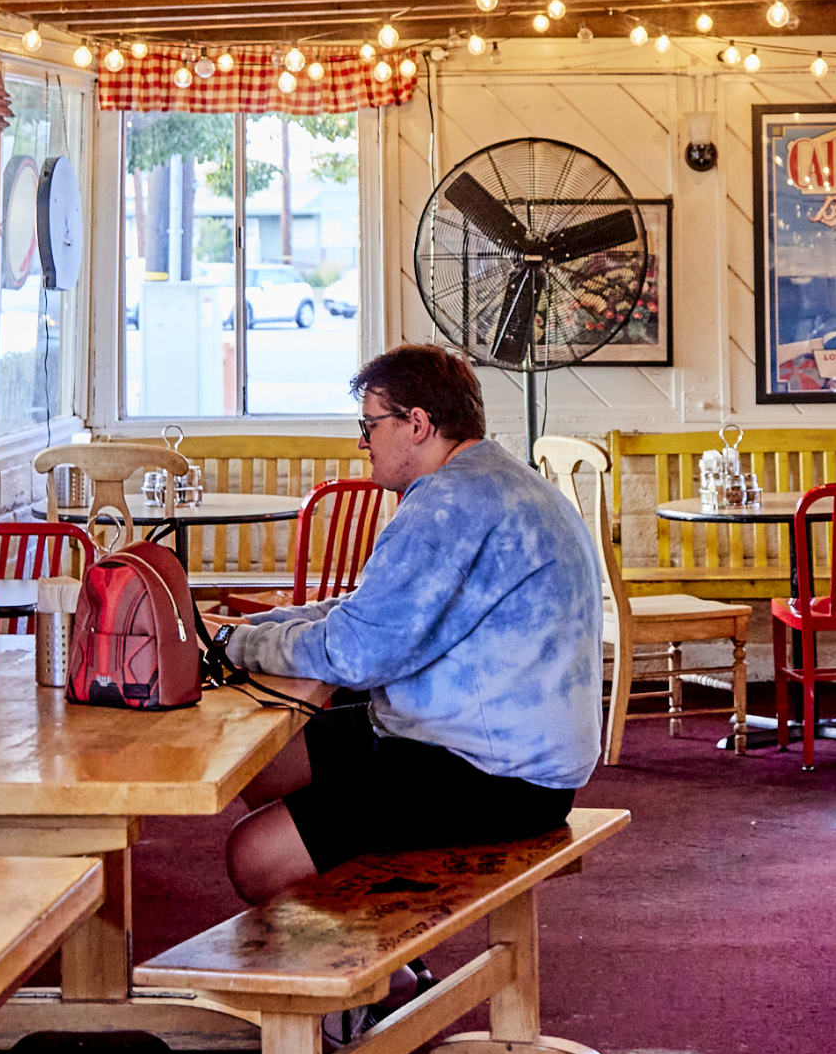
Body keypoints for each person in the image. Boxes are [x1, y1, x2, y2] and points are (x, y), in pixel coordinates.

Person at [215, 344, 603, 903]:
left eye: (370, 424)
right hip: (491, 748)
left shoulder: (449, 503)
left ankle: (366, 972)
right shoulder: (492, 478)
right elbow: (373, 610)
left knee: (254, 855)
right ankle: (368, 927)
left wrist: (237, 644)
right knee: (263, 757)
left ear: (416, 424)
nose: (363, 441)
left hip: (495, 775)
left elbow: (357, 653)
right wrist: (256, 628)